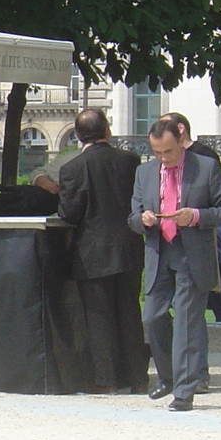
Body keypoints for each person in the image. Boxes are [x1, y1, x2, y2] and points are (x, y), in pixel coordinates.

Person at [129, 117, 221, 411]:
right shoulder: (145, 172)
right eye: (158, 153)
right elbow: (133, 217)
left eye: (169, 152)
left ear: (181, 139)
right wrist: (144, 220)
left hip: (192, 252)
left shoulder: (206, 167)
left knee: (187, 323)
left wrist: (197, 216)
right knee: (152, 317)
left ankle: (185, 392)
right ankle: (169, 377)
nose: (164, 158)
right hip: (159, 250)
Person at [54, 107, 148, 394]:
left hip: (92, 252)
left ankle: (106, 379)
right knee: (130, 312)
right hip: (130, 247)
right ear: (107, 130)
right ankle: (137, 377)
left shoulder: (73, 169)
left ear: (78, 135)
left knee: (98, 317)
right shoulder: (131, 161)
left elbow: (70, 214)